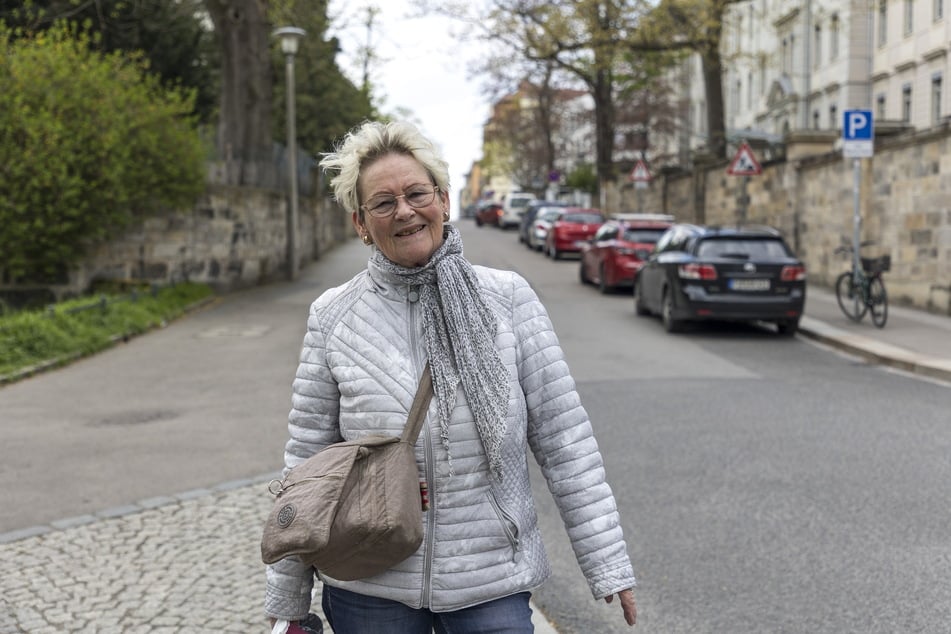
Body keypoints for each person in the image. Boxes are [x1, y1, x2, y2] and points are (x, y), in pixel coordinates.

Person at [265, 120, 637, 633]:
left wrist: (607, 563)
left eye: (417, 193)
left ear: (442, 200)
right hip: (370, 584)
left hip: (489, 579)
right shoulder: (334, 317)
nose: (404, 211)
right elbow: (304, 464)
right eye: (383, 202)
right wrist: (288, 598)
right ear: (360, 223)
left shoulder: (507, 300)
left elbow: (564, 439)